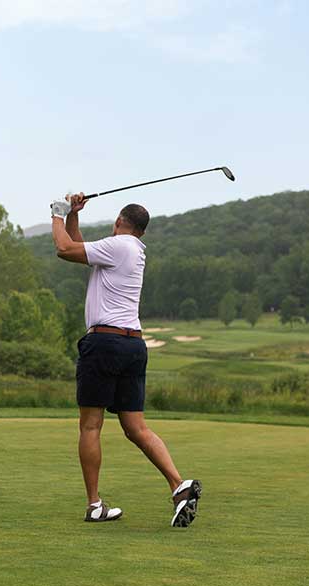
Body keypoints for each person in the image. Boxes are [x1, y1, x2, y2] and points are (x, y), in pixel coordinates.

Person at [51, 193, 201, 527]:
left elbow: (64, 248)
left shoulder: (119, 246)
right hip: (132, 345)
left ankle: (94, 505)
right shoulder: (130, 249)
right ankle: (179, 486)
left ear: (119, 221)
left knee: (91, 424)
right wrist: (74, 215)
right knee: (135, 428)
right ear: (142, 231)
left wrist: (58, 213)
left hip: (104, 342)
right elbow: (80, 247)